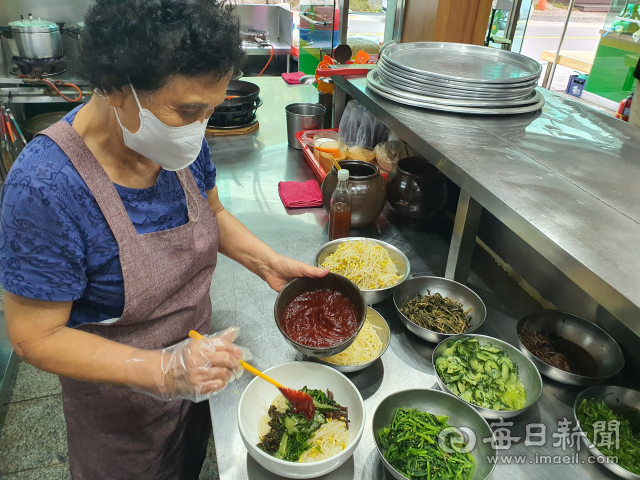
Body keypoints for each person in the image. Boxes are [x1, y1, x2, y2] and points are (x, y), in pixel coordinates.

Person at [0, 1, 327, 478]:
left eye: (209, 110)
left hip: (199, 379)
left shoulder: (175, 142)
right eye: (189, 110)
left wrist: (266, 262)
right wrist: (160, 372)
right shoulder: (46, 188)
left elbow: (211, 211)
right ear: (114, 86)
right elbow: (34, 337)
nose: (200, 128)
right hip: (121, 417)